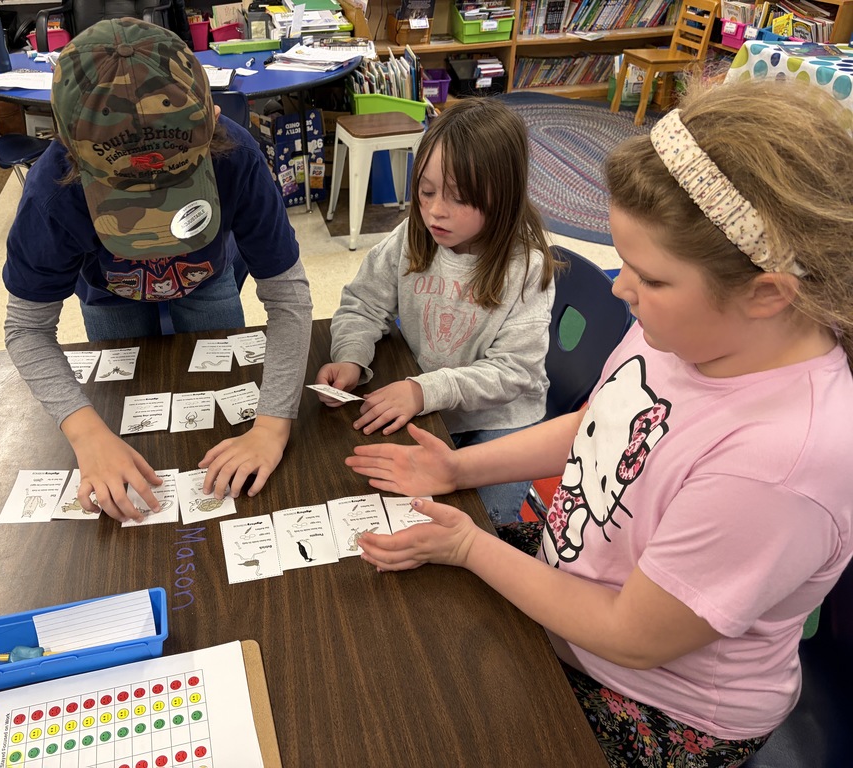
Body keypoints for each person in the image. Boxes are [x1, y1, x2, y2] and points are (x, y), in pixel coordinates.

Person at [345, 77, 853, 767]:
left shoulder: (778, 464)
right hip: (579, 586)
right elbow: (599, 422)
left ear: (767, 293)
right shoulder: (687, 330)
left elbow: (633, 635)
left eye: (648, 276)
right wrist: (457, 466)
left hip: (658, 701)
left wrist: (471, 548)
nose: (621, 288)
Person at [3, 19, 312, 523]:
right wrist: (87, 435)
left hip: (206, 279)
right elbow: (26, 328)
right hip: (110, 295)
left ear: (212, 121)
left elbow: (288, 298)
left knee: (218, 398)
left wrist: (272, 427)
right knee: (122, 410)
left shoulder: (237, 158)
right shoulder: (52, 194)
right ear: (65, 147)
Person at [314, 98, 558, 526]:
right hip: (431, 401)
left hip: (502, 420)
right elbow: (364, 301)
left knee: (481, 525)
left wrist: (425, 390)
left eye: (459, 197)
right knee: (377, 501)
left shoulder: (527, 267)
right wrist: (351, 355)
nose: (435, 211)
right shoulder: (414, 235)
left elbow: (514, 371)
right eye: (426, 191)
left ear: (502, 197)